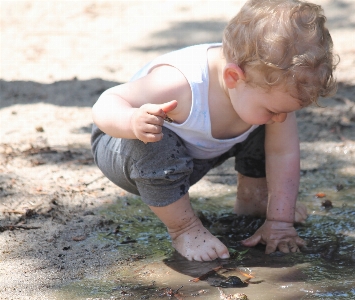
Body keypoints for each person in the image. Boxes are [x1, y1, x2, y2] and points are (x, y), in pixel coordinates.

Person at [91, 0, 337, 261]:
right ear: (233, 77)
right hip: (125, 150)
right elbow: (105, 103)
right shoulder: (180, 84)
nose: (282, 117)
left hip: (195, 154)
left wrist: (280, 221)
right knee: (155, 142)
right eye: (274, 108)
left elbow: (283, 154)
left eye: (287, 110)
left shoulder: (264, 91)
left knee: (268, 127)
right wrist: (131, 121)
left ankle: (254, 198)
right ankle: (185, 229)